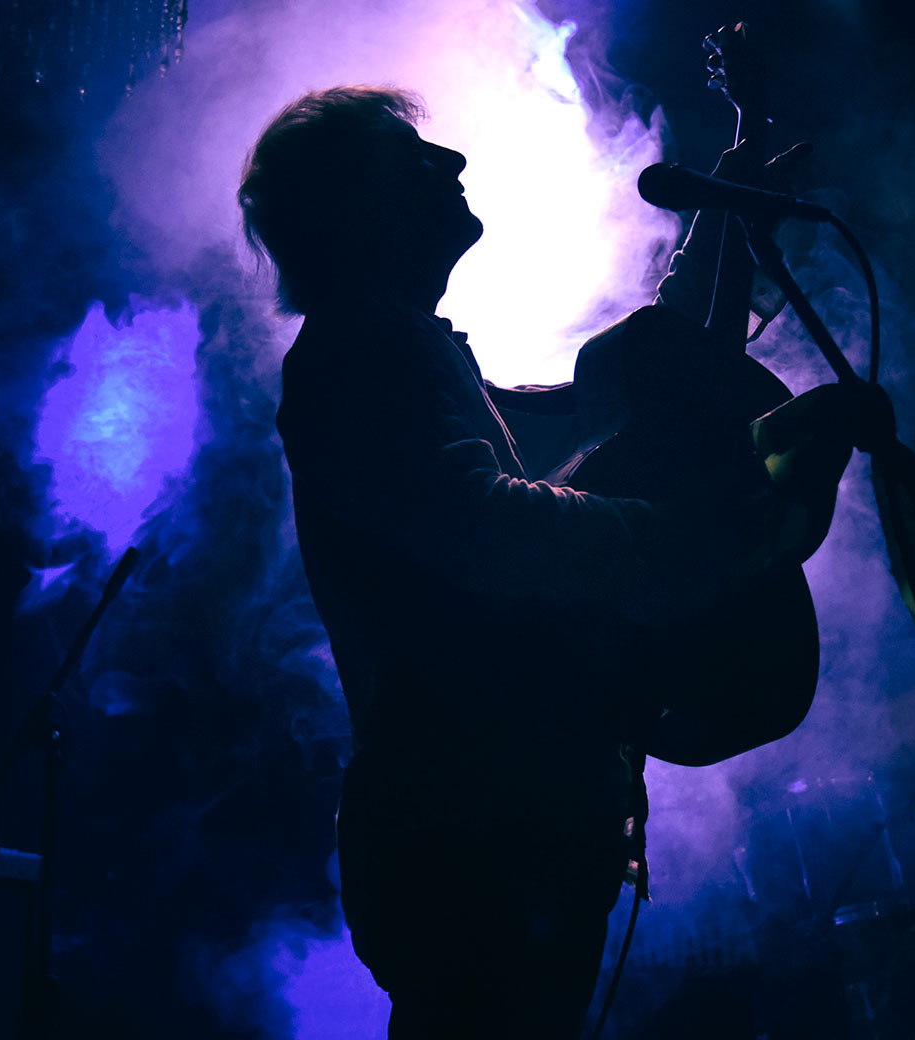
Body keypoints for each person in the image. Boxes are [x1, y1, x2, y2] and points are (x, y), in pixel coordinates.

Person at [237, 85, 857, 1037]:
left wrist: (728, 201)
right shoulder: (359, 357)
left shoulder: (403, 355)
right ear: (353, 207)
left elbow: (640, 393)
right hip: (473, 837)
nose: (451, 161)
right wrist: (698, 542)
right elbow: (488, 527)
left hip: (502, 825)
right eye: (411, 153)